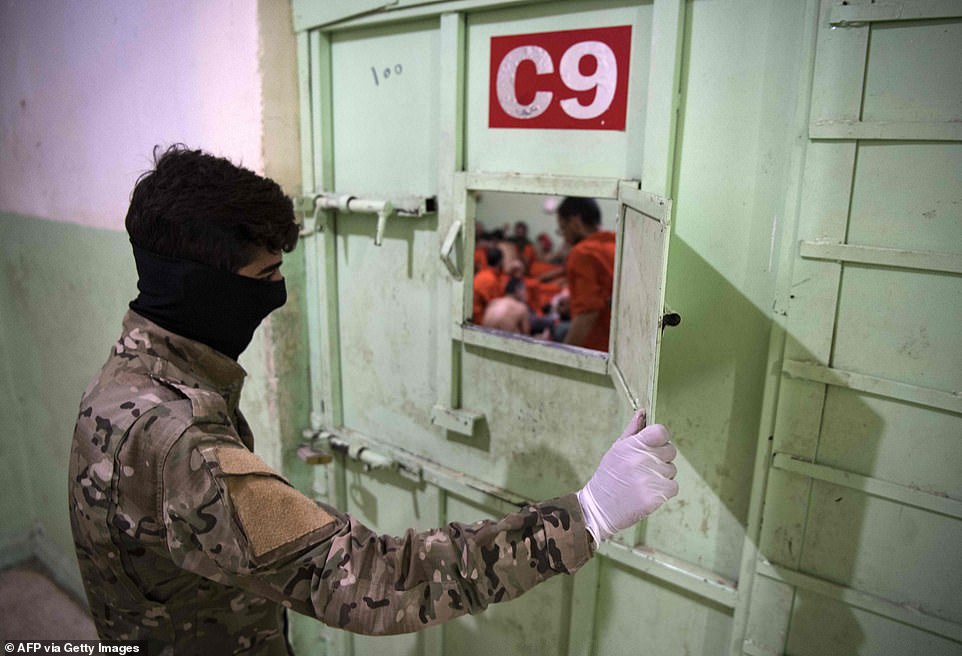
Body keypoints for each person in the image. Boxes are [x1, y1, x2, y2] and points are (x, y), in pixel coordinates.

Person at [69, 146, 679, 654]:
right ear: (198, 287)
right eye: (263, 277)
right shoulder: (181, 441)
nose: (277, 294)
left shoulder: (128, 378)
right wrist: (588, 515)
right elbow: (369, 580)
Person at [556, 197, 616, 351]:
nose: (565, 237)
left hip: (597, 347)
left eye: (563, 229)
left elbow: (587, 313)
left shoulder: (582, 253)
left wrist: (564, 356)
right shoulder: (617, 243)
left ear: (575, 222)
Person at [472, 246, 505, 324]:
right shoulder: (491, 280)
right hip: (480, 321)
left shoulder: (481, 274)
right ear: (501, 262)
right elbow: (496, 306)